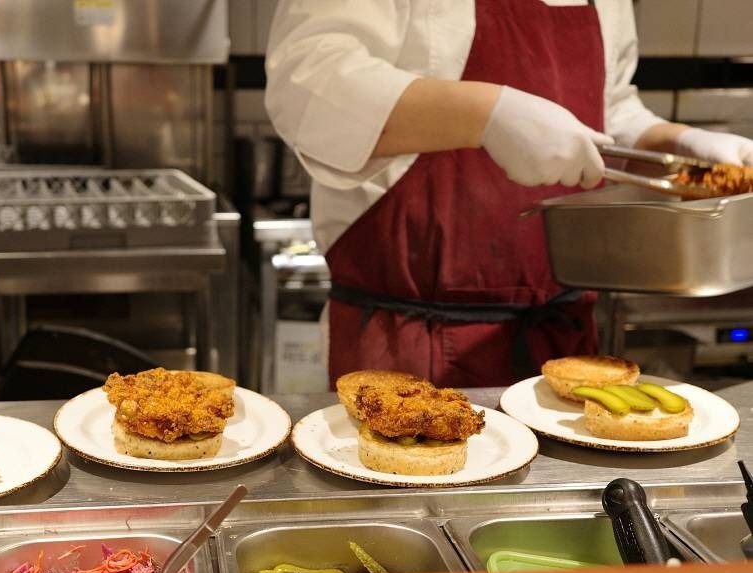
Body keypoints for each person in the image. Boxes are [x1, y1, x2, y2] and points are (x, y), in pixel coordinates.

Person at [264, 0, 753, 388]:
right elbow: (308, 79)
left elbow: (610, 111)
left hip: (564, 339)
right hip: (410, 346)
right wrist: (487, 114)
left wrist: (679, 146)